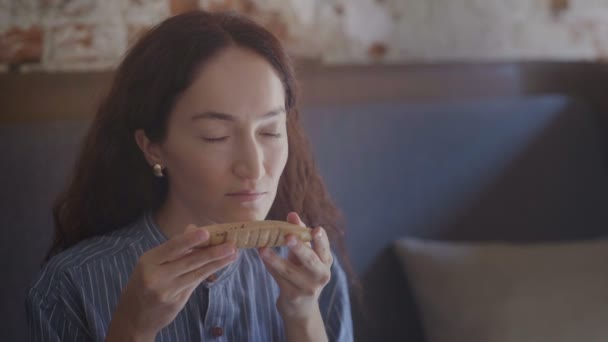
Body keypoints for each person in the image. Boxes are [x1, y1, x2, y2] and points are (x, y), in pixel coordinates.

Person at [26, 10, 354, 342]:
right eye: (216, 136)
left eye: (270, 131)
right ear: (153, 147)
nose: (254, 168)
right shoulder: (72, 284)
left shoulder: (310, 271)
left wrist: (301, 311)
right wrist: (133, 329)